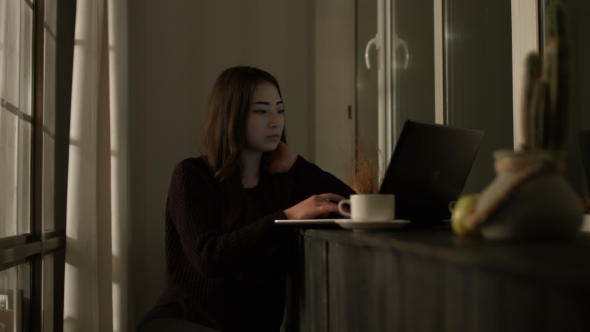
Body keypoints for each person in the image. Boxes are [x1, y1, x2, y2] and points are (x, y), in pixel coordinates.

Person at [137, 66, 355, 332]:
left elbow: (353, 206)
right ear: (232, 116)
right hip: (184, 322)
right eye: (262, 111)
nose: (275, 121)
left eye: (280, 110)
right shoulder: (192, 175)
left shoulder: (284, 186)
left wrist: (296, 165)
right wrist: (285, 218)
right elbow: (208, 257)